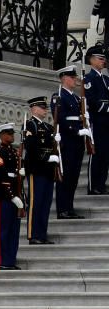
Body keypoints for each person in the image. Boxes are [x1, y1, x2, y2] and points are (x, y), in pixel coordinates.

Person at [53, 65, 88, 219]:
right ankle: (62, 209)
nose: (75, 80)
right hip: (67, 142)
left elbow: (80, 117)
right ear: (64, 78)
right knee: (65, 177)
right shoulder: (59, 96)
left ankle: (70, 207)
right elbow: (61, 118)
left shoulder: (75, 97)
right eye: (72, 78)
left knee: (73, 177)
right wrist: (76, 130)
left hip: (77, 143)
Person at [24, 96, 59, 244]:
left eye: (45, 107)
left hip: (48, 171)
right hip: (37, 169)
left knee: (45, 203)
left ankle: (42, 234)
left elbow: (53, 146)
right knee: (35, 202)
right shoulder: (30, 125)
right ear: (34, 108)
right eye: (42, 107)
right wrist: (46, 158)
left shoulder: (48, 127)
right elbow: (31, 147)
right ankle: (33, 234)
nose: (45, 110)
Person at [0, 123, 26, 270]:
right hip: (4, 194)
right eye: (9, 133)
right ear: (1, 135)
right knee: (4, 229)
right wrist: (12, 196)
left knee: (14, 230)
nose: (12, 136)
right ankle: (2, 261)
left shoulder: (15, 152)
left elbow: (17, 174)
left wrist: (23, 172)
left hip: (16, 192)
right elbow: (2, 176)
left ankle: (10, 260)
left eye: (12, 133)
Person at [85, 45, 109, 195]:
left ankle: (101, 184)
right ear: (92, 60)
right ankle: (93, 185)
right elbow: (92, 101)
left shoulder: (106, 79)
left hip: (107, 122)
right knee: (96, 154)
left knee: (106, 154)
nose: (103, 61)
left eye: (104, 59)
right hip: (97, 121)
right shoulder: (89, 79)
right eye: (100, 59)